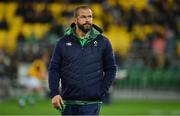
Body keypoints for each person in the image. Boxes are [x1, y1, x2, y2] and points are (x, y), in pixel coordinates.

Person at [48, 5, 116, 115]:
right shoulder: (62, 42)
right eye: (83, 17)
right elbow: (54, 69)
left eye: (90, 16)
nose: (87, 20)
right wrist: (55, 93)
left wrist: (101, 90)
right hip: (68, 103)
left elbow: (111, 69)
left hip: (91, 103)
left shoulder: (103, 42)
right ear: (75, 20)